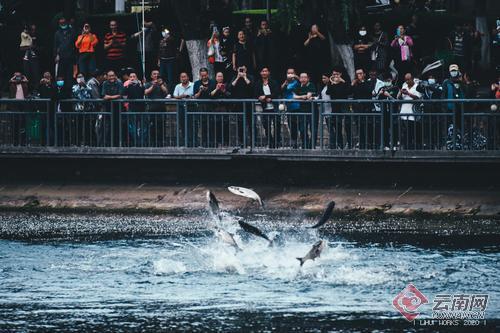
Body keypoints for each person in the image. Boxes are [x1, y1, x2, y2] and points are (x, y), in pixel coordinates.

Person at [255, 67, 281, 148]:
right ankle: (270, 142)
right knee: (266, 125)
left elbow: (276, 92)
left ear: (268, 73)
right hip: (265, 108)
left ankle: (277, 142)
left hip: (274, 107)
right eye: (262, 71)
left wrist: (267, 97)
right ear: (260, 73)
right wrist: (259, 97)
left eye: (266, 71)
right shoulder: (258, 83)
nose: (264, 72)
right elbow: (256, 93)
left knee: (277, 125)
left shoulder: (273, 82)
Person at [442, 64, 465, 150]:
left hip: (459, 110)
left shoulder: (461, 82)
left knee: (460, 128)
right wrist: (444, 108)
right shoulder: (446, 82)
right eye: (452, 71)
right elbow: (443, 96)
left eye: (455, 70)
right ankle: (449, 145)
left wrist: (461, 80)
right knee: (449, 128)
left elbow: (464, 94)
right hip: (449, 110)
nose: (453, 72)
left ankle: (460, 145)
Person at [326, 68, 351, 149]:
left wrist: (342, 82)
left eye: (337, 74)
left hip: (344, 106)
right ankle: (340, 144)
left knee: (347, 125)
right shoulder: (331, 82)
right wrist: (332, 83)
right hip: (335, 107)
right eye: (333, 74)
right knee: (337, 126)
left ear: (340, 74)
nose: (335, 76)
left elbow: (349, 91)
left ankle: (349, 144)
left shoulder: (345, 81)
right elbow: (328, 92)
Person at [397, 73, 422, 149]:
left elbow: (418, 98)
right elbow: (398, 98)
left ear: (412, 78)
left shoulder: (417, 87)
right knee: (404, 133)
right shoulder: (404, 86)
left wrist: (408, 93)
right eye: (406, 80)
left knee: (413, 133)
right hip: (403, 114)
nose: (407, 81)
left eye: (409, 79)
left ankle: (415, 148)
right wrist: (401, 93)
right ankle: (405, 147)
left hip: (412, 114)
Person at [229, 66, 253, 146]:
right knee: (240, 124)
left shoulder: (250, 77)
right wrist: (238, 77)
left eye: (243, 69)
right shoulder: (234, 77)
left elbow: (252, 87)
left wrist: (245, 77)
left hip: (249, 104)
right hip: (239, 105)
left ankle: (253, 142)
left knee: (251, 123)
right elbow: (230, 88)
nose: (242, 70)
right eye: (240, 69)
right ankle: (242, 142)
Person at [193, 68, 216, 147]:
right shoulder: (196, 83)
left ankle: (212, 143)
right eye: (202, 75)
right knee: (203, 126)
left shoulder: (212, 82)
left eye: (205, 75)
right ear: (200, 75)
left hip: (211, 106)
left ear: (207, 74)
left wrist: (206, 89)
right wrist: (200, 90)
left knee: (212, 126)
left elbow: (213, 94)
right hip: (201, 107)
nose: (204, 77)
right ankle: (204, 143)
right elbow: (195, 96)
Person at [292, 72, 316, 149]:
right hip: (302, 110)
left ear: (308, 78)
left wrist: (301, 97)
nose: (303, 79)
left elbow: (308, 96)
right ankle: (305, 144)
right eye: (301, 77)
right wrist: (302, 96)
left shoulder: (311, 85)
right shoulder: (298, 86)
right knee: (302, 129)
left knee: (313, 129)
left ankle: (312, 146)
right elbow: (294, 96)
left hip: (312, 110)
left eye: (305, 77)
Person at [123, 72, 147, 146]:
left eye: (134, 76)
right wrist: (127, 85)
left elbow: (143, 92)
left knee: (143, 128)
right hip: (132, 109)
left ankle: (142, 142)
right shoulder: (127, 86)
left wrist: (141, 84)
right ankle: (135, 142)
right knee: (133, 128)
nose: (132, 78)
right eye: (131, 77)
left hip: (141, 108)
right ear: (129, 78)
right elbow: (123, 94)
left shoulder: (140, 85)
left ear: (136, 78)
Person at [352, 69, 374, 149]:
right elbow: (350, 92)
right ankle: (361, 144)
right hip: (358, 109)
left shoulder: (368, 82)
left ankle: (370, 144)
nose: (359, 75)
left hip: (366, 108)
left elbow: (368, 90)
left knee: (368, 127)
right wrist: (352, 84)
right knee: (359, 127)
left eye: (360, 73)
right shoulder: (355, 84)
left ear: (364, 74)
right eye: (357, 74)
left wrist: (362, 82)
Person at [102, 70, 124, 146]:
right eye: (110, 76)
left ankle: (118, 143)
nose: (111, 77)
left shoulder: (119, 82)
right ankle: (108, 143)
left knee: (117, 125)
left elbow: (120, 95)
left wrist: (110, 97)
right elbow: (104, 96)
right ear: (107, 77)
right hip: (108, 107)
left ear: (115, 76)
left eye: (113, 75)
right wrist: (112, 97)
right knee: (108, 125)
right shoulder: (105, 83)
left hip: (118, 107)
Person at [54, 17, 77, 88]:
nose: (62, 24)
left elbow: (76, 44)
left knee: (69, 76)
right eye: (61, 23)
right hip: (61, 58)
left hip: (70, 58)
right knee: (60, 77)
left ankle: (69, 92)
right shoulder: (57, 33)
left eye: (64, 23)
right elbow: (55, 46)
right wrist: (56, 55)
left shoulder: (72, 31)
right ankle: (60, 91)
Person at [210, 72, 231, 147]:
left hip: (225, 109)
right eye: (218, 76)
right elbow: (210, 95)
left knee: (225, 127)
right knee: (216, 127)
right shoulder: (212, 85)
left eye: (221, 76)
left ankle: (226, 143)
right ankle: (217, 143)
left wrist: (223, 90)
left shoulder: (227, 85)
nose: (220, 78)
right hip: (216, 109)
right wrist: (216, 89)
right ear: (216, 78)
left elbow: (230, 95)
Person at [158, 28, 182, 93]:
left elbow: (172, 41)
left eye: (165, 32)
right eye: (163, 32)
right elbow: (160, 50)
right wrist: (159, 60)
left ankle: (170, 92)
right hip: (162, 60)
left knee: (170, 77)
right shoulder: (161, 40)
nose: (164, 33)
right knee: (161, 76)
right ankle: (162, 91)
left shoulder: (171, 39)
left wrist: (167, 36)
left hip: (170, 60)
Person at [173, 72, 194, 147]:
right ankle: (185, 142)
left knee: (191, 125)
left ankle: (192, 142)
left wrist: (189, 97)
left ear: (188, 77)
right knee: (182, 125)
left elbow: (195, 95)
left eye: (184, 77)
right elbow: (175, 96)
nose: (183, 78)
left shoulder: (193, 85)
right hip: (181, 107)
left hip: (191, 107)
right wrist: (182, 96)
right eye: (182, 77)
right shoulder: (178, 86)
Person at [20, 24, 40, 90]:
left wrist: (35, 47)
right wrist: (29, 47)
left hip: (35, 59)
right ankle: (27, 91)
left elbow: (42, 48)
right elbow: (21, 48)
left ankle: (36, 90)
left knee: (36, 74)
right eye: (32, 29)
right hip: (26, 59)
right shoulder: (25, 36)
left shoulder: (38, 37)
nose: (33, 31)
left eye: (35, 29)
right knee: (27, 75)